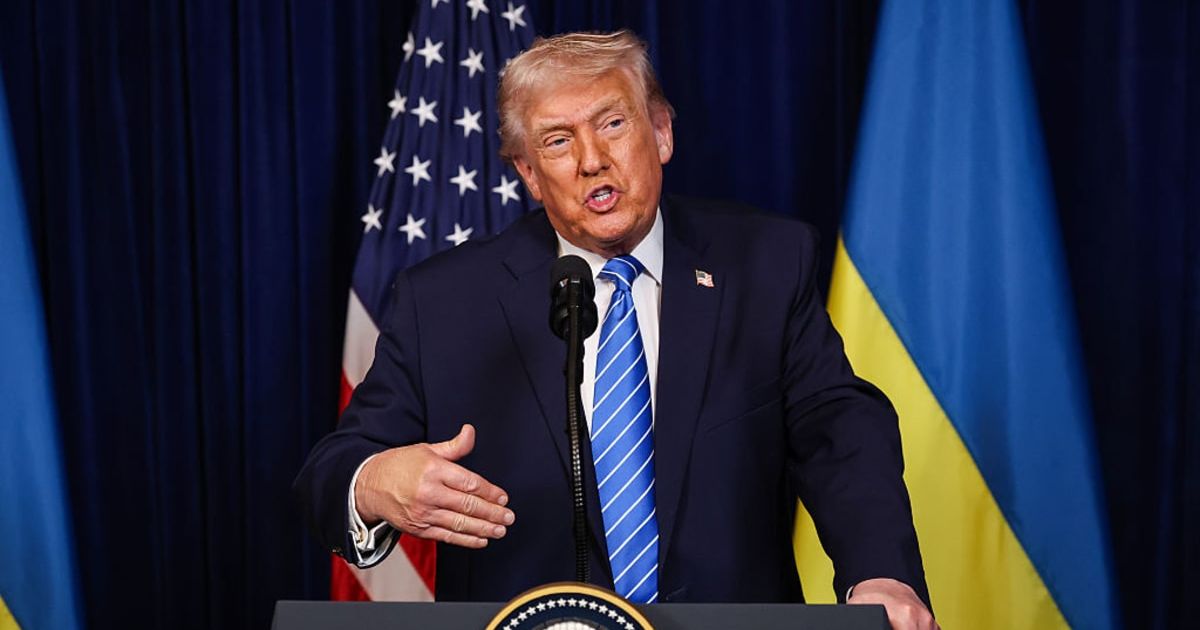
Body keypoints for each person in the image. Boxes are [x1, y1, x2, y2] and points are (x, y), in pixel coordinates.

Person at [295, 30, 937, 629]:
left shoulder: (765, 264)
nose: (591, 160)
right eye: (557, 141)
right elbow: (332, 472)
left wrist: (881, 574)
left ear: (660, 132)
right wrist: (374, 482)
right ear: (528, 174)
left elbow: (840, 433)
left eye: (612, 124)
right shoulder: (443, 302)